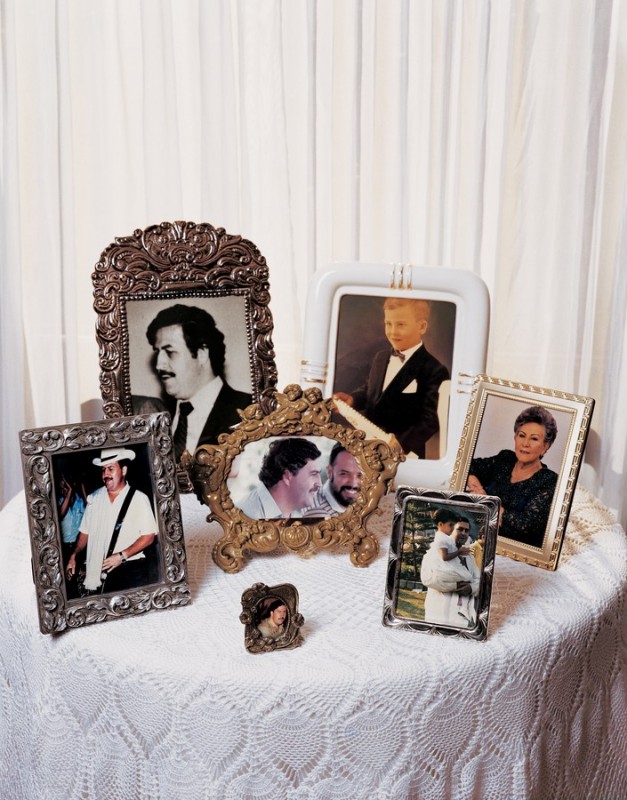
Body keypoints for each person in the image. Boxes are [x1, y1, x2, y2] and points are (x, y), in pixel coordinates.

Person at [133, 304, 253, 460]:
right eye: (158, 353)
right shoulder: (157, 414)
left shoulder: (249, 410)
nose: (159, 365)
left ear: (202, 354)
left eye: (170, 352)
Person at [333, 297, 449, 458]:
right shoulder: (380, 357)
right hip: (367, 444)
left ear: (422, 327)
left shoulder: (435, 369)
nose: (393, 332)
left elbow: (431, 420)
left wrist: (402, 443)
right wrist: (353, 399)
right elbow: (370, 390)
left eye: (401, 324)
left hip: (404, 455)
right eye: (388, 324)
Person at [65, 448, 159, 594]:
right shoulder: (94, 498)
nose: (105, 474)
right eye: (103, 470)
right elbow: (85, 533)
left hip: (130, 569)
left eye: (111, 469)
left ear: (124, 470)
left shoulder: (139, 499)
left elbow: (149, 536)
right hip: (98, 572)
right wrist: (74, 555)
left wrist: (122, 556)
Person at [466, 406, 559, 548]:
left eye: (534, 439)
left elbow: (525, 525)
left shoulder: (549, 481)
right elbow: (467, 465)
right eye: (521, 435)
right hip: (478, 540)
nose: (525, 444)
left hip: (512, 551)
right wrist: (476, 487)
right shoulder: (505, 459)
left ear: (546, 446)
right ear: (515, 437)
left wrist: (487, 502)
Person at [420, 510, 480, 627]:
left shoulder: (469, 558)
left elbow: (478, 581)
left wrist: (470, 588)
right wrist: (455, 585)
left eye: (466, 531)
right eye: (460, 529)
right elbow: (426, 579)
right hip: (437, 614)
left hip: (461, 619)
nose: (463, 533)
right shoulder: (434, 552)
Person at [238, 438, 322, 520]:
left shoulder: (306, 510)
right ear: (287, 476)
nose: (320, 484)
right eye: (314, 474)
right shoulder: (245, 516)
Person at [301, 443, 363, 518]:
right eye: (344, 474)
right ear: (329, 472)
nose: (354, 484)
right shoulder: (317, 513)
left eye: (360, 475)